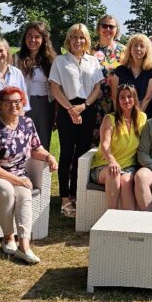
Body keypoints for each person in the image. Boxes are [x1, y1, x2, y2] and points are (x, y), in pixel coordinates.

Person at [0, 86, 58, 264]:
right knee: (6, 190)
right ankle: (8, 237)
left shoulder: (27, 123)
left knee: (24, 193)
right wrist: (18, 180)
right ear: (0, 105)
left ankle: (24, 247)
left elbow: (36, 149)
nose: (13, 106)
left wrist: (49, 156)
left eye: (17, 102)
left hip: (15, 175)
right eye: (8, 102)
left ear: (23, 103)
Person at [48, 24, 104, 218]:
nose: (78, 41)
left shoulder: (93, 61)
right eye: (74, 37)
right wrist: (71, 109)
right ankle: (64, 198)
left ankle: (76, 193)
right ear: (68, 39)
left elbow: (97, 88)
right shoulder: (60, 61)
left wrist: (84, 106)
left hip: (87, 109)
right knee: (66, 153)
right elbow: (55, 88)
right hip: (67, 109)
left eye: (81, 37)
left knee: (81, 153)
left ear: (86, 40)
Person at [89, 84, 146, 210]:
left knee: (126, 182)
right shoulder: (110, 119)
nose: (126, 100)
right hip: (104, 165)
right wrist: (112, 161)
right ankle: (112, 213)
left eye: (129, 96)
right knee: (113, 173)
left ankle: (128, 220)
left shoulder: (142, 118)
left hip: (128, 166)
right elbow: (105, 144)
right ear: (117, 100)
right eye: (122, 97)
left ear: (135, 98)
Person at [13, 22, 56, 150]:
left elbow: (57, 87)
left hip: (46, 104)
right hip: (24, 104)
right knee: (23, 140)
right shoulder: (16, 58)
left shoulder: (51, 60)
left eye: (37, 37)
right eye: (29, 36)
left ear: (43, 39)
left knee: (43, 142)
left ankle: (42, 164)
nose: (32, 40)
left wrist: (57, 112)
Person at [89, 12, 126, 144]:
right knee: (93, 139)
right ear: (99, 28)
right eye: (104, 26)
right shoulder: (89, 50)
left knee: (115, 139)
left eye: (111, 26)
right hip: (95, 101)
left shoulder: (124, 51)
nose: (108, 29)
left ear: (116, 30)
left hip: (118, 101)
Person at [109, 33, 152, 117]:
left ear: (146, 50)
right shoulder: (119, 70)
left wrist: (137, 117)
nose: (138, 48)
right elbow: (114, 96)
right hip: (120, 115)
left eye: (142, 46)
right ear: (130, 49)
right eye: (135, 45)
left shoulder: (151, 73)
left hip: (143, 115)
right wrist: (121, 117)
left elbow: (147, 98)